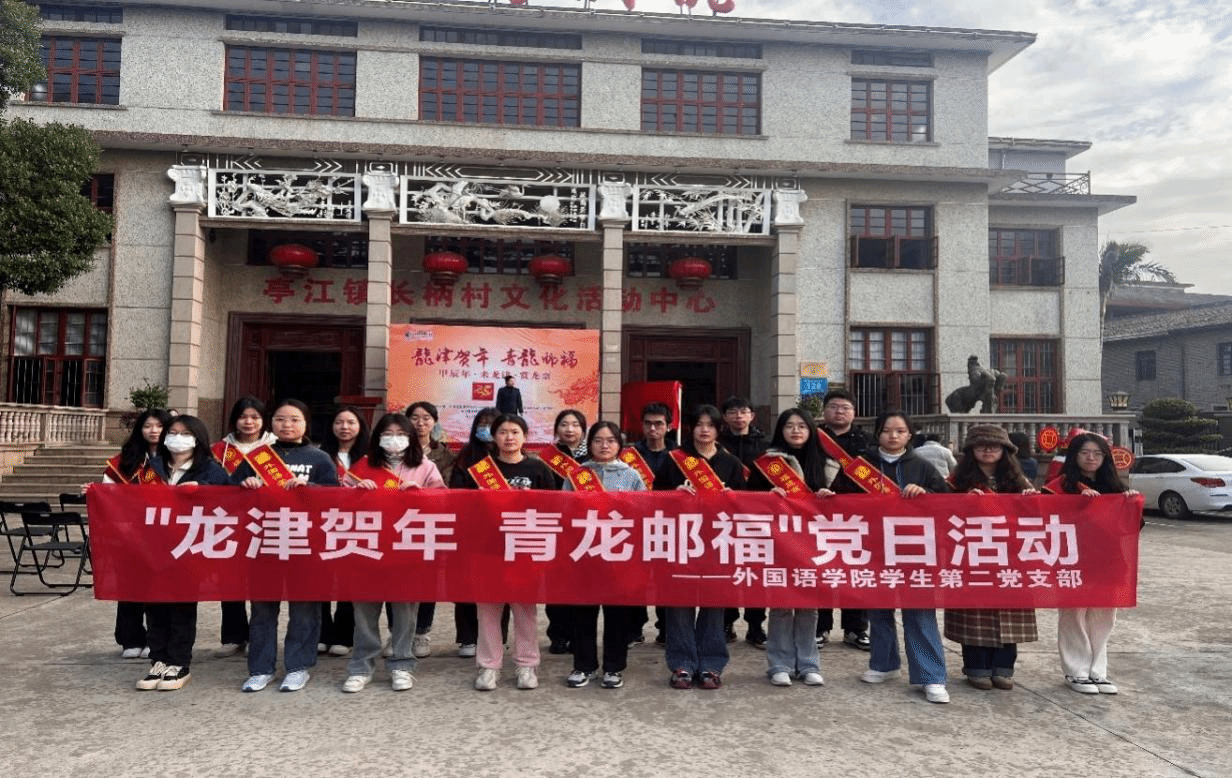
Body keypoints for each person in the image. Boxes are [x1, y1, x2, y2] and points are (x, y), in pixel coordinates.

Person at [231, 399, 339, 693]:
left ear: (305, 423)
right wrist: (246, 486)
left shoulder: (320, 458)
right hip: (264, 543)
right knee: (263, 610)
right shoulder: (256, 457)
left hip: (305, 544)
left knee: (304, 609)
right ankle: (260, 669)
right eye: (280, 419)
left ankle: (298, 666)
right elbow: (229, 496)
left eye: (294, 419)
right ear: (271, 423)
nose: (286, 425)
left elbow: (335, 498)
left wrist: (310, 489)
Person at [341, 412, 445, 693]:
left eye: (401, 434)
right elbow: (338, 505)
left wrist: (421, 494)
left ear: (411, 438)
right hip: (368, 547)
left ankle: (402, 664)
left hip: (406, 549)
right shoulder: (363, 465)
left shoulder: (425, 466)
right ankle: (361, 667)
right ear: (377, 438)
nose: (394, 439)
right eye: (388, 434)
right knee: (365, 612)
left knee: (405, 613)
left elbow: (444, 503)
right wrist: (355, 492)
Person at [859, 410, 952, 704]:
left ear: (910, 435)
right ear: (878, 433)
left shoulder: (922, 466)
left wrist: (925, 492)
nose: (893, 436)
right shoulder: (862, 466)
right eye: (887, 430)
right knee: (878, 609)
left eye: (900, 431)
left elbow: (948, 500)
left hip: (914, 549)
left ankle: (931, 675)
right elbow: (840, 499)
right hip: (873, 546)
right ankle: (883, 664)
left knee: (919, 611)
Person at [134, 415, 228, 692]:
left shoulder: (210, 470)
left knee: (181, 607)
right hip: (155, 547)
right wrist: (97, 492)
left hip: (190, 547)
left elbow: (229, 501)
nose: (178, 437)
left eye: (185, 433)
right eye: (172, 432)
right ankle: (158, 660)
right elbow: (131, 499)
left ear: (197, 439)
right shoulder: (152, 467)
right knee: (154, 606)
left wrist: (203, 492)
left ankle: (178, 662)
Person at [944, 425, 1039, 691]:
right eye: (981, 446)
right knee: (975, 612)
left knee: (1009, 611)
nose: (988, 450)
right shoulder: (956, 481)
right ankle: (976, 667)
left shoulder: (1018, 480)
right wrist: (961, 501)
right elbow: (940, 512)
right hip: (972, 555)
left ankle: (1004, 668)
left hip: (1009, 556)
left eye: (994, 446)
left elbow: (1036, 516)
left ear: (1005, 451)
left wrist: (1031, 500)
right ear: (971, 450)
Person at [659, 404, 746, 690]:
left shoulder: (731, 463)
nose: (704, 430)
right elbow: (654, 498)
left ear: (719, 429)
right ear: (691, 428)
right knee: (679, 604)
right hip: (681, 541)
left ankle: (711, 664)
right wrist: (674, 495)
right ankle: (682, 664)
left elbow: (746, 505)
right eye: (699, 424)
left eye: (710, 425)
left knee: (714, 604)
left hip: (718, 542)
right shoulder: (675, 460)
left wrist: (733, 497)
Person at [1049, 432, 1141, 695]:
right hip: (1072, 558)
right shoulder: (1060, 485)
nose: (1091, 458)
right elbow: (1044, 517)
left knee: (1104, 614)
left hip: (1108, 558)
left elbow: (1132, 527)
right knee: (1074, 613)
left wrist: (1130, 504)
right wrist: (1078, 504)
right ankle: (1076, 670)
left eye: (1097, 453)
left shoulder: (1114, 486)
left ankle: (1098, 671)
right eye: (1085, 452)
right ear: (1074, 455)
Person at [748, 409, 831, 688]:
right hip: (779, 543)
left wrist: (829, 497)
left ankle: (809, 664)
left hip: (814, 544)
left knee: (809, 606)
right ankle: (779, 665)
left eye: (801, 426)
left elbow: (845, 504)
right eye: (789, 426)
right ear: (780, 430)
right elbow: (747, 498)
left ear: (811, 430)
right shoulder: (767, 463)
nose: (796, 431)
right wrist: (767, 496)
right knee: (781, 605)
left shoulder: (827, 464)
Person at [473, 413, 556, 691]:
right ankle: (488, 666)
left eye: (515, 432)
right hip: (488, 550)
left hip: (525, 549)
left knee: (525, 610)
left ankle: (527, 664)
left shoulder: (538, 469)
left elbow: (553, 508)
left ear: (525, 436)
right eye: (503, 432)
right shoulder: (480, 470)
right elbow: (464, 509)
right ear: (493, 436)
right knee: (488, 610)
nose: (509, 437)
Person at [562, 421, 647, 690]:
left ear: (619, 444)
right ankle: (583, 665)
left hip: (619, 554)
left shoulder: (631, 476)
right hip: (585, 551)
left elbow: (643, 512)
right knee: (583, 613)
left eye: (610, 440)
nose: (604, 445)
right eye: (598, 440)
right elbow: (564, 510)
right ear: (590, 444)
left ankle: (613, 667)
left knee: (617, 614)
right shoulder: (577, 475)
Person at [100, 408, 170, 660]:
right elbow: (107, 492)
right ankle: (130, 638)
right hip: (129, 534)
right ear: (139, 430)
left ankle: (156, 639)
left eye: (159, 426)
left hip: (165, 534)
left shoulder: (176, 458)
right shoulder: (124, 460)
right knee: (129, 587)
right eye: (147, 426)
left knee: (159, 589)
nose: (154, 431)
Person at [212, 396, 277, 658]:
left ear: (264, 420)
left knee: (262, 581)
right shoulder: (219, 450)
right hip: (230, 521)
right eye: (243, 417)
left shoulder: (275, 448)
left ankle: (259, 636)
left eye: (255, 417)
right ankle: (234, 635)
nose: (248, 422)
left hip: (267, 522)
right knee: (230, 578)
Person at [815, 388, 872, 650]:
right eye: (834, 407)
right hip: (820, 512)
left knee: (855, 572)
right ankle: (821, 627)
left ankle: (856, 629)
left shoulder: (866, 440)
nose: (839, 411)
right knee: (822, 569)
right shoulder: (814, 437)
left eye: (845, 407)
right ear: (825, 411)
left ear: (854, 413)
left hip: (856, 515)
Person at [448, 407, 505, 659]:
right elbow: (455, 492)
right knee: (467, 586)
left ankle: (498, 637)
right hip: (470, 531)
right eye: (482, 423)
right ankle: (468, 637)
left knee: (500, 588)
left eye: (492, 423)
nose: (487, 428)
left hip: (502, 533)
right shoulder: (466, 456)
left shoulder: (511, 457)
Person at [318, 406, 371, 657]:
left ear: (360, 426)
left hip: (356, 525)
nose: (345, 427)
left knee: (350, 582)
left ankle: (344, 634)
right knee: (321, 580)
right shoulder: (320, 455)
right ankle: (322, 633)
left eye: (351, 422)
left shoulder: (371, 458)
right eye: (339, 422)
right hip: (323, 524)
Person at [406, 400, 458, 658]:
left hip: (430, 523)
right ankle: (398, 633)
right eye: (415, 417)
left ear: (434, 422)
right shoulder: (394, 451)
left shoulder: (445, 455)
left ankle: (421, 633)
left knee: (427, 581)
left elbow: (446, 487)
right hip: (399, 522)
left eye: (426, 418)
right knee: (397, 581)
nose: (420, 423)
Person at [718, 396, 768, 647]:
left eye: (743, 411)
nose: (738, 416)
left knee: (755, 573)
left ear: (752, 416)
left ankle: (755, 625)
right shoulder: (716, 444)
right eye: (733, 412)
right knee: (728, 572)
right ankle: (727, 623)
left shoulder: (765, 445)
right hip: (725, 517)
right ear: (725, 417)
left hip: (757, 517)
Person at [632, 402, 678, 645]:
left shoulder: (681, 456)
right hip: (636, 524)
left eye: (658, 424)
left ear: (669, 426)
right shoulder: (629, 455)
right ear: (642, 426)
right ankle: (634, 628)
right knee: (635, 579)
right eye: (648, 424)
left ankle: (666, 629)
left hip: (669, 527)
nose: (653, 429)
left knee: (666, 579)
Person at [546, 408, 589, 654]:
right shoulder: (548, 458)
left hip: (585, 528)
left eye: (575, 425)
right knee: (557, 585)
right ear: (557, 429)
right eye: (564, 424)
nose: (569, 429)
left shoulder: (592, 457)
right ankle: (558, 635)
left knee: (582, 585)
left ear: (583, 429)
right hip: (557, 527)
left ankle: (579, 635)